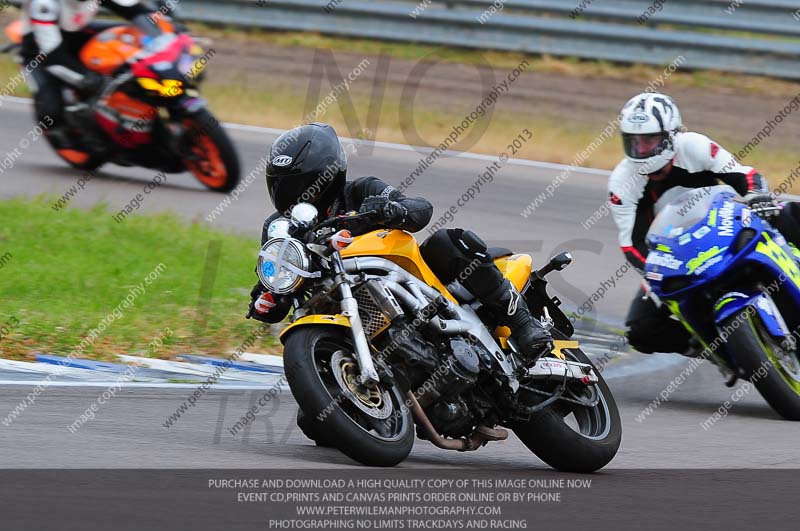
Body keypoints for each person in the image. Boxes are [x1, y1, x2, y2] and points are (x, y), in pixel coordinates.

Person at [247, 122, 552, 360]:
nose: (290, 191)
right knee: (315, 423)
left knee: (448, 242)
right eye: (283, 182)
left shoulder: (361, 190)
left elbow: (421, 210)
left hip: (397, 279)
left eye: (299, 182)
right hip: (337, 307)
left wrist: (392, 209)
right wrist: (267, 300)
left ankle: (524, 325)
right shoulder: (277, 227)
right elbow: (274, 283)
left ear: (326, 174)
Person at [609, 92, 800, 355]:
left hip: (725, 225)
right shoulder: (622, 183)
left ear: (670, 135)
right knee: (641, 330)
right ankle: (718, 348)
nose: (641, 150)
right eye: (634, 142)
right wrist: (655, 272)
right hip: (676, 255)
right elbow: (631, 244)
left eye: (649, 140)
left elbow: (743, 175)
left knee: (790, 212)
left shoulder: (694, 146)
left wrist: (757, 196)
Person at [20, 0, 169, 150]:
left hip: (77, 33)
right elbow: (52, 56)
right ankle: (64, 134)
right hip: (40, 53)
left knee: (130, 34)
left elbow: (135, 11)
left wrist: (165, 30)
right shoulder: (44, 4)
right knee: (51, 111)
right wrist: (87, 78)